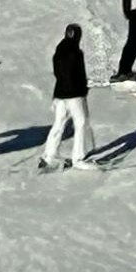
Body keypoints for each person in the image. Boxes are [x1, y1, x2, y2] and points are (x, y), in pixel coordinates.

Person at [40, 23, 95, 170]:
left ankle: (49, 155)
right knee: (81, 122)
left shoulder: (59, 51)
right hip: (74, 94)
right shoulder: (76, 53)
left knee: (59, 123)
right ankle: (79, 158)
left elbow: (60, 74)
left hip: (60, 94)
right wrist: (82, 89)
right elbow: (77, 74)